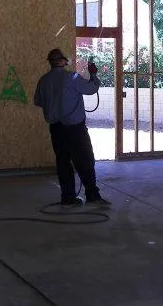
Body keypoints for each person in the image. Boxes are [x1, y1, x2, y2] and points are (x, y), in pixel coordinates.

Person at [34, 48, 111, 208]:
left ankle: (68, 198)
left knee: (63, 163)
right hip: (75, 129)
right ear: (62, 61)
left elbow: (38, 101)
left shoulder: (43, 80)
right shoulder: (72, 76)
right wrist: (93, 74)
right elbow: (92, 89)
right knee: (86, 161)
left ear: (50, 62)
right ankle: (92, 195)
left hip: (56, 129)